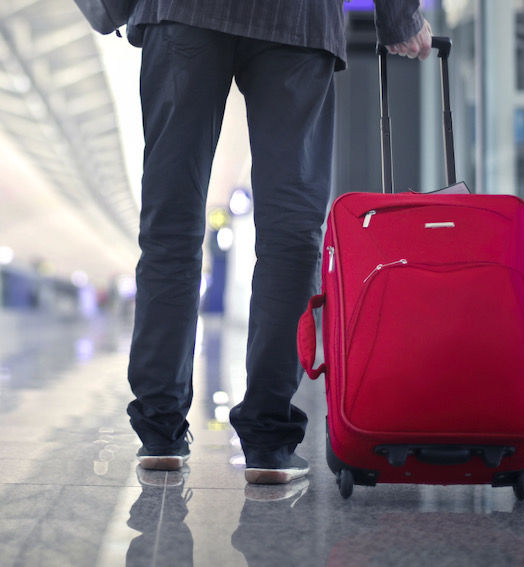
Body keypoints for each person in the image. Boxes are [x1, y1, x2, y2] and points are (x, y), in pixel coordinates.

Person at [125, 0, 433, 484]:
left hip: (182, 15)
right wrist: (400, 18)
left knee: (170, 225)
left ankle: (159, 432)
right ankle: (268, 439)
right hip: (298, 22)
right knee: (290, 236)